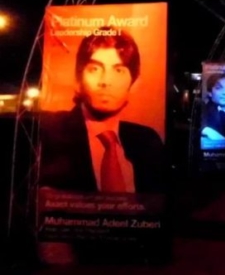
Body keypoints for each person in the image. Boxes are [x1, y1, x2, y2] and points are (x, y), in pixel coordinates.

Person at [39, 27, 165, 194]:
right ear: (78, 79)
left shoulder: (146, 140)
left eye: (118, 70)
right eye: (95, 69)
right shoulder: (50, 133)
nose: (105, 81)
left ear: (134, 83)